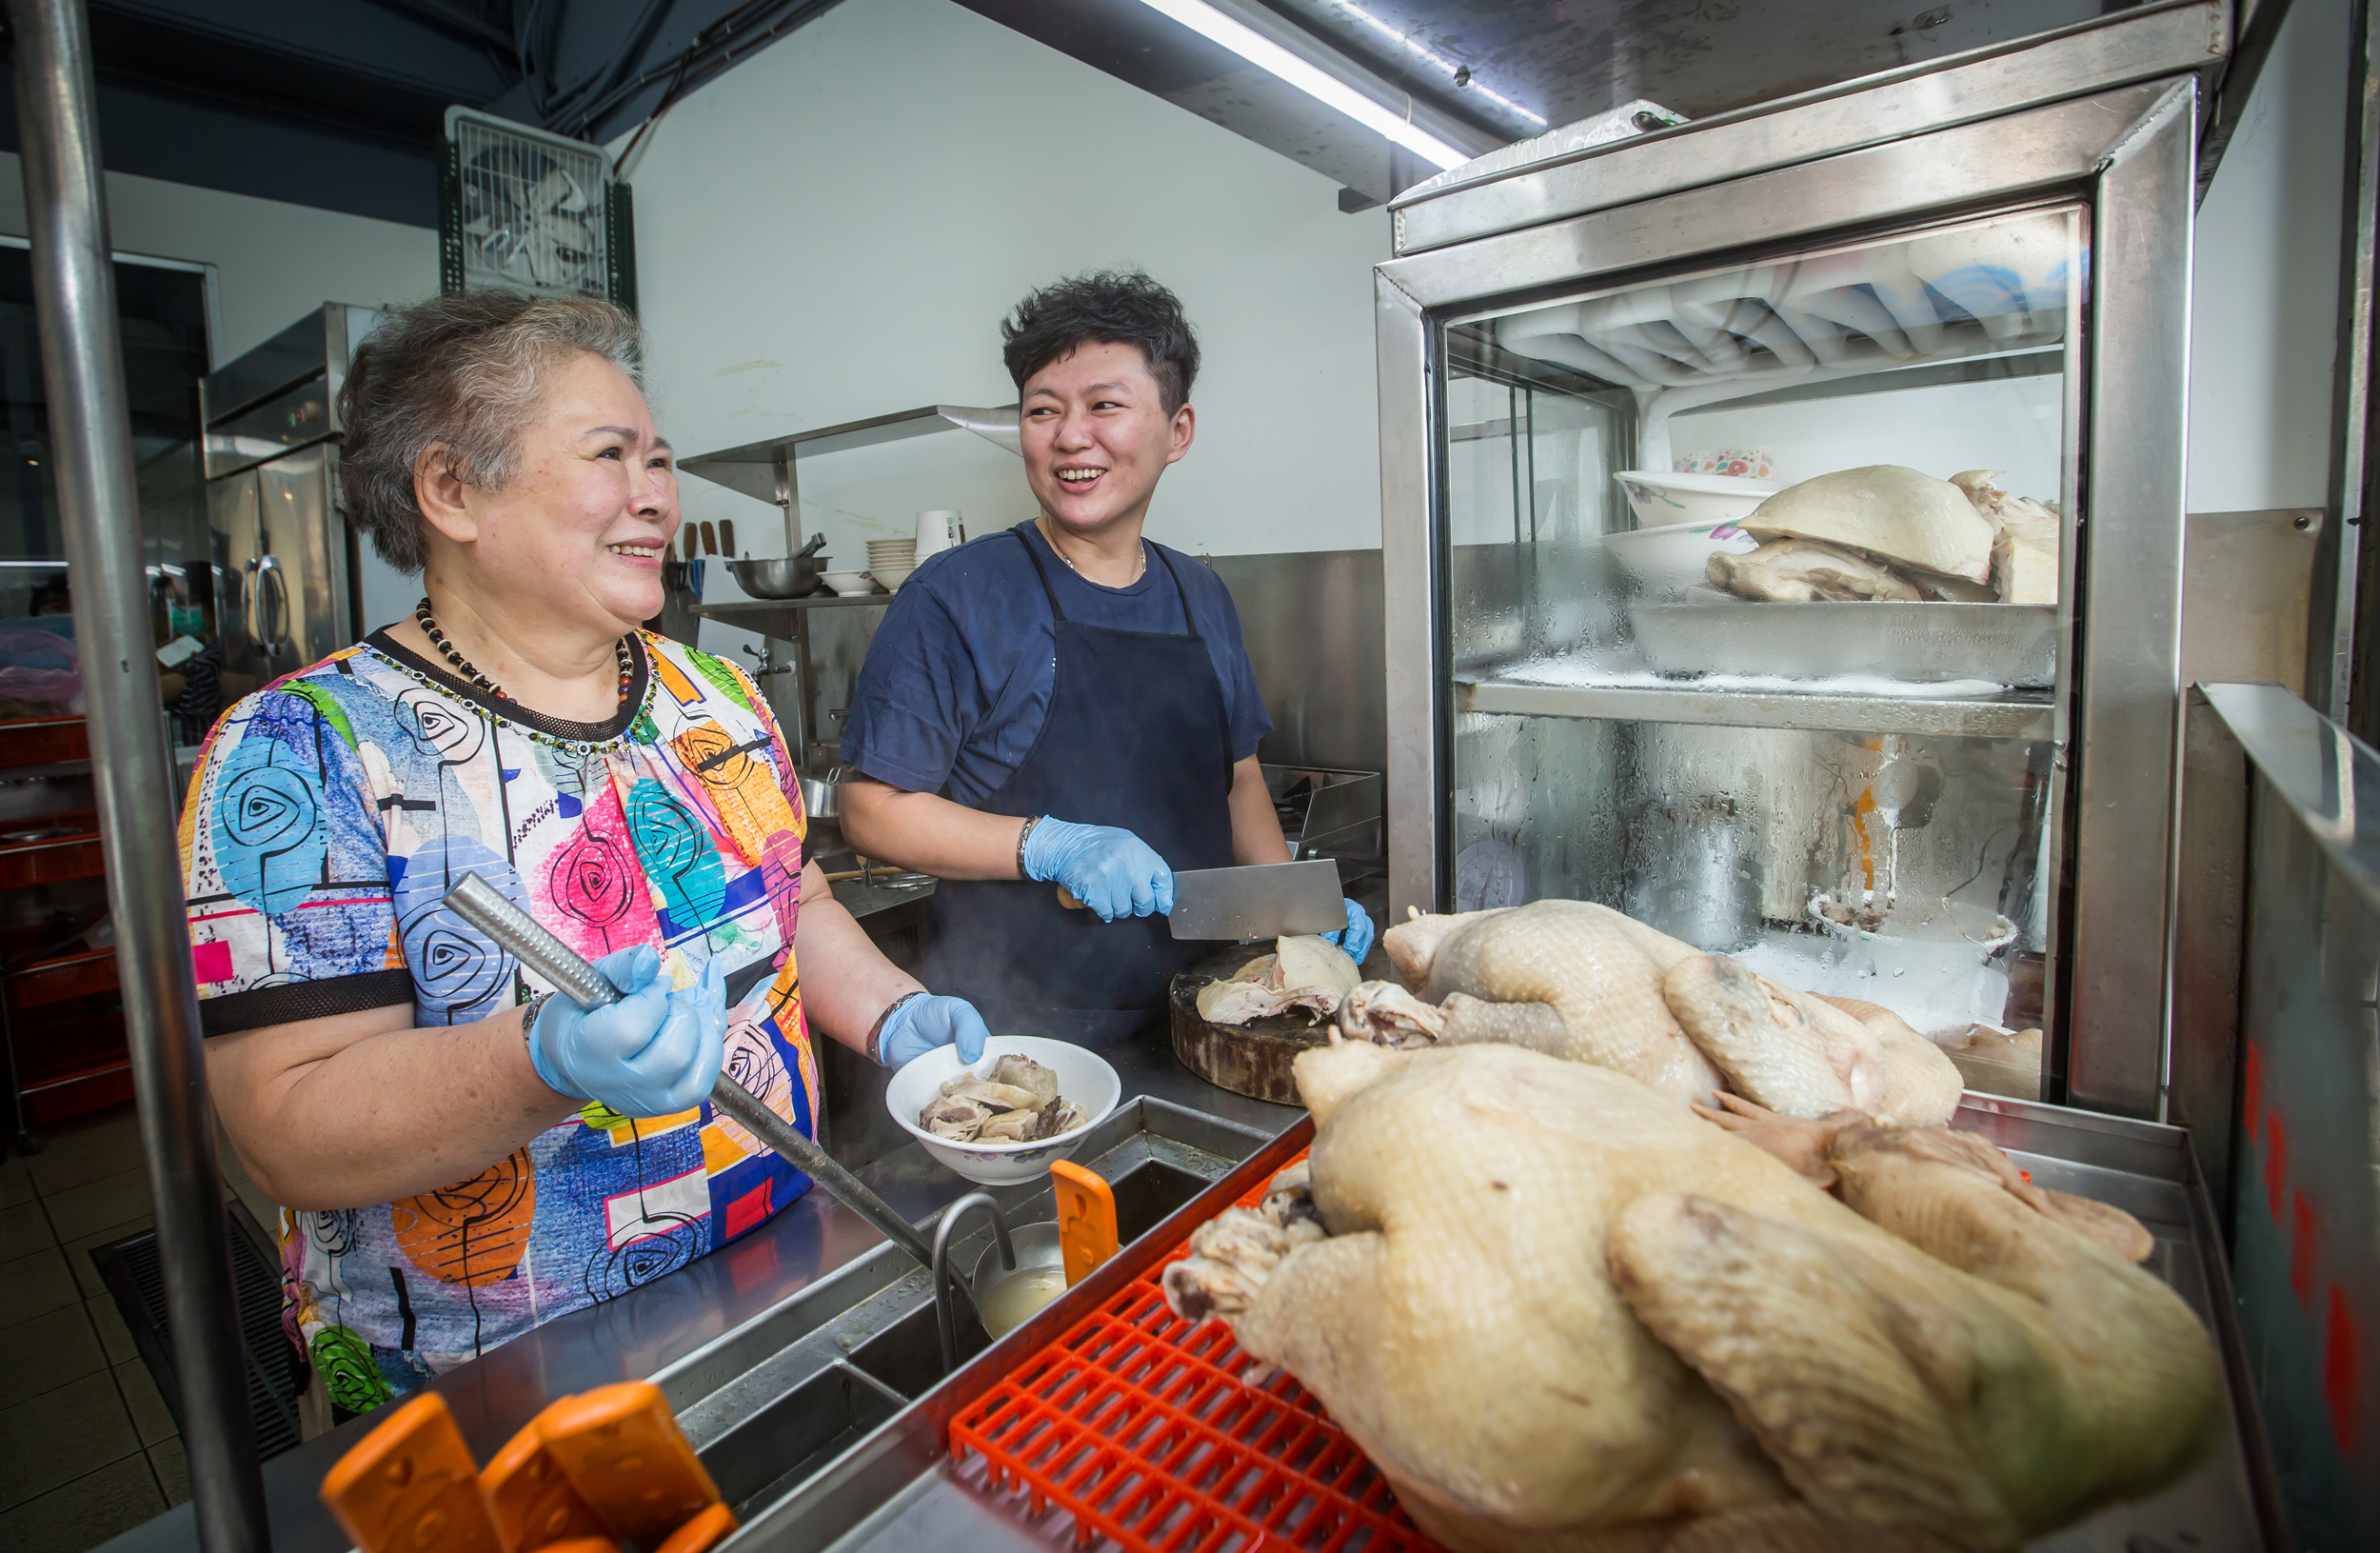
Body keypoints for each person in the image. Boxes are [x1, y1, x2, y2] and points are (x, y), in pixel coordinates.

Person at [182, 291, 991, 1423]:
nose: (656, 494)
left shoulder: (711, 693)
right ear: (451, 489)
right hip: (495, 1388)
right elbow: (285, 1126)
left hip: (774, 1288)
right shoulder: (298, 749)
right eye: (611, 454)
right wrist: (541, 1060)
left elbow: (787, 893)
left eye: (657, 458)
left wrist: (895, 1010)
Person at [837, 271, 1373, 1046]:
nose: (1069, 437)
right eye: (1042, 410)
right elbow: (870, 810)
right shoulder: (958, 596)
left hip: (1208, 1017)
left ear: (1177, 430)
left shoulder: (1202, 595)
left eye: (1105, 406)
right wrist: (1049, 845)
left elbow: (1240, 781)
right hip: (1020, 1030)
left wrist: (1295, 915)